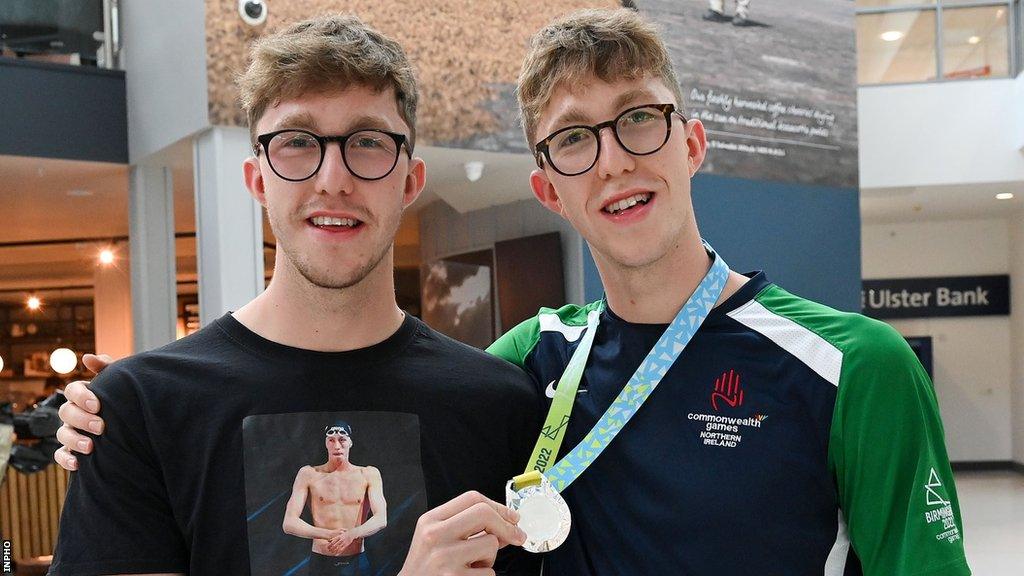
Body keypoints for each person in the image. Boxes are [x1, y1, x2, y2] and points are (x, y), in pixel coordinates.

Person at [55, 8, 970, 576]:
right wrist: (120, 413)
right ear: (546, 185)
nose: (613, 158)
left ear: (691, 143)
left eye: (639, 121)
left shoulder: (857, 367)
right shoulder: (527, 370)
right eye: (574, 138)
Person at [46, 14, 538, 576]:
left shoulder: (501, 407)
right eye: (299, 142)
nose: (333, 178)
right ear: (258, 179)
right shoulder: (140, 410)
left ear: (410, 181)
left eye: (369, 142)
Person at [282, 422, 385, 575]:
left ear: (350, 442)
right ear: (326, 443)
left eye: (342, 439)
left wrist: (352, 534)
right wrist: (327, 534)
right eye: (332, 440)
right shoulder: (308, 474)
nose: (337, 446)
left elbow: (381, 518)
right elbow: (289, 523)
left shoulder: (369, 474)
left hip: (356, 561)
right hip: (321, 561)